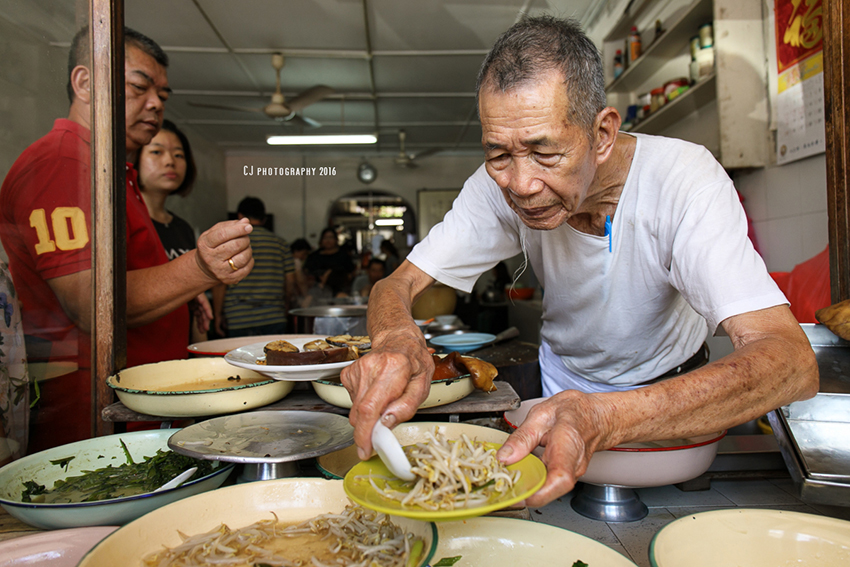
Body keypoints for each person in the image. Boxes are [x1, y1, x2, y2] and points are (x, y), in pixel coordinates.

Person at [340, 16, 818, 507]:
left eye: (544, 152)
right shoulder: (496, 186)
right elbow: (394, 286)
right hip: (557, 393)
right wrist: (398, 339)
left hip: (674, 402)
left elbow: (791, 363)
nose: (521, 185)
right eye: (498, 153)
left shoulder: (683, 180)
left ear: (603, 133)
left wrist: (605, 415)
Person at [0, 26, 254, 452]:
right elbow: (88, 301)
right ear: (84, 83)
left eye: (163, 95)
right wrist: (200, 267)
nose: (155, 104)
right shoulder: (63, 160)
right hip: (94, 415)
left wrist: (186, 291)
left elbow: (135, 275)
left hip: (134, 401)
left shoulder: (111, 170)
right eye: (139, 87)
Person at [136, 119, 212, 342]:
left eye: (178, 155)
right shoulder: (125, 223)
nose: (170, 161)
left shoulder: (182, 228)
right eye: (157, 152)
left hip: (178, 348)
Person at [213, 197, 294, 338]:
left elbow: (220, 283)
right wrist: (285, 308)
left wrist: (217, 314)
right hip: (274, 316)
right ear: (263, 218)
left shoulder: (231, 245)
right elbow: (290, 283)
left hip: (239, 317)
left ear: (240, 216)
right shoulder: (280, 244)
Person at [289, 238, 313, 307]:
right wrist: (306, 296)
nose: (304, 257)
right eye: (304, 254)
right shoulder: (296, 261)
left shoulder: (285, 259)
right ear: (296, 251)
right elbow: (300, 281)